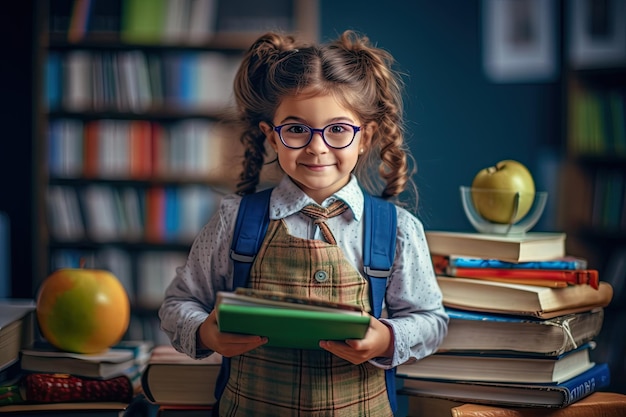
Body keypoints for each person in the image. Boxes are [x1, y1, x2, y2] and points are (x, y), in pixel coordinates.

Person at [159, 30, 448, 417]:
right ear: (271, 137)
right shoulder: (234, 220)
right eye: (296, 129)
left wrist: (387, 339)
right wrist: (205, 332)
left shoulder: (397, 230)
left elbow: (432, 321)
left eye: (338, 130)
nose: (317, 146)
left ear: (366, 137)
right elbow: (179, 303)